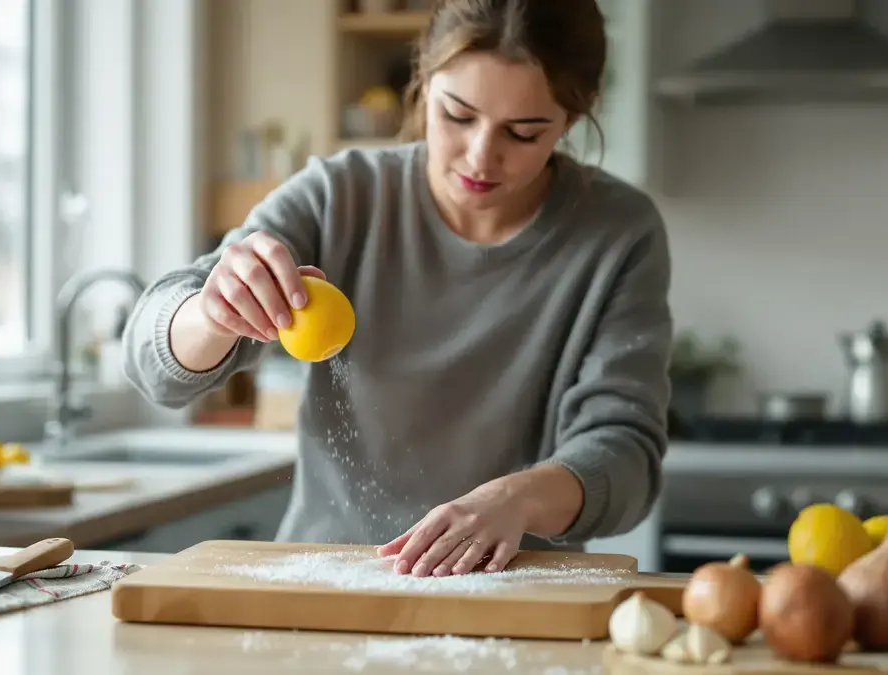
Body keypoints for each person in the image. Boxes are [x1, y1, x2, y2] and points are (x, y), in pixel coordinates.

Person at [122, 0, 672, 578]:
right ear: (423, 82)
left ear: (575, 117)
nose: (482, 155)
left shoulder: (616, 232)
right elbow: (151, 364)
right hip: (326, 579)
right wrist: (213, 312)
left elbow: (626, 457)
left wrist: (518, 499)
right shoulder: (340, 195)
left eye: (524, 132)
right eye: (458, 115)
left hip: (516, 591)